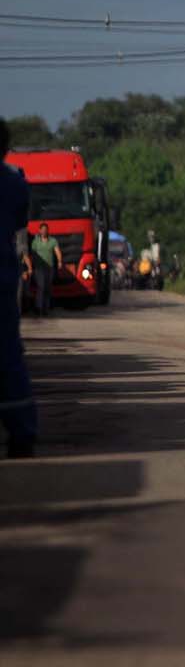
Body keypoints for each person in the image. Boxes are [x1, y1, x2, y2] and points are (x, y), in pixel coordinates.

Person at [0, 122, 37, 458]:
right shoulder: (14, 182)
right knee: (9, 357)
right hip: (2, 279)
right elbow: (17, 222)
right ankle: (23, 433)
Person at [28, 221, 62, 317]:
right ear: (39, 231)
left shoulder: (53, 241)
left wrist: (59, 261)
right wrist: (30, 267)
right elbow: (32, 254)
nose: (44, 231)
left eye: (45, 230)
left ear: (48, 231)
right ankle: (38, 307)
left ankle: (45, 309)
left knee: (48, 288)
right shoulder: (35, 242)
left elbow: (57, 251)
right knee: (41, 286)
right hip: (39, 268)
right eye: (42, 230)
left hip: (49, 268)